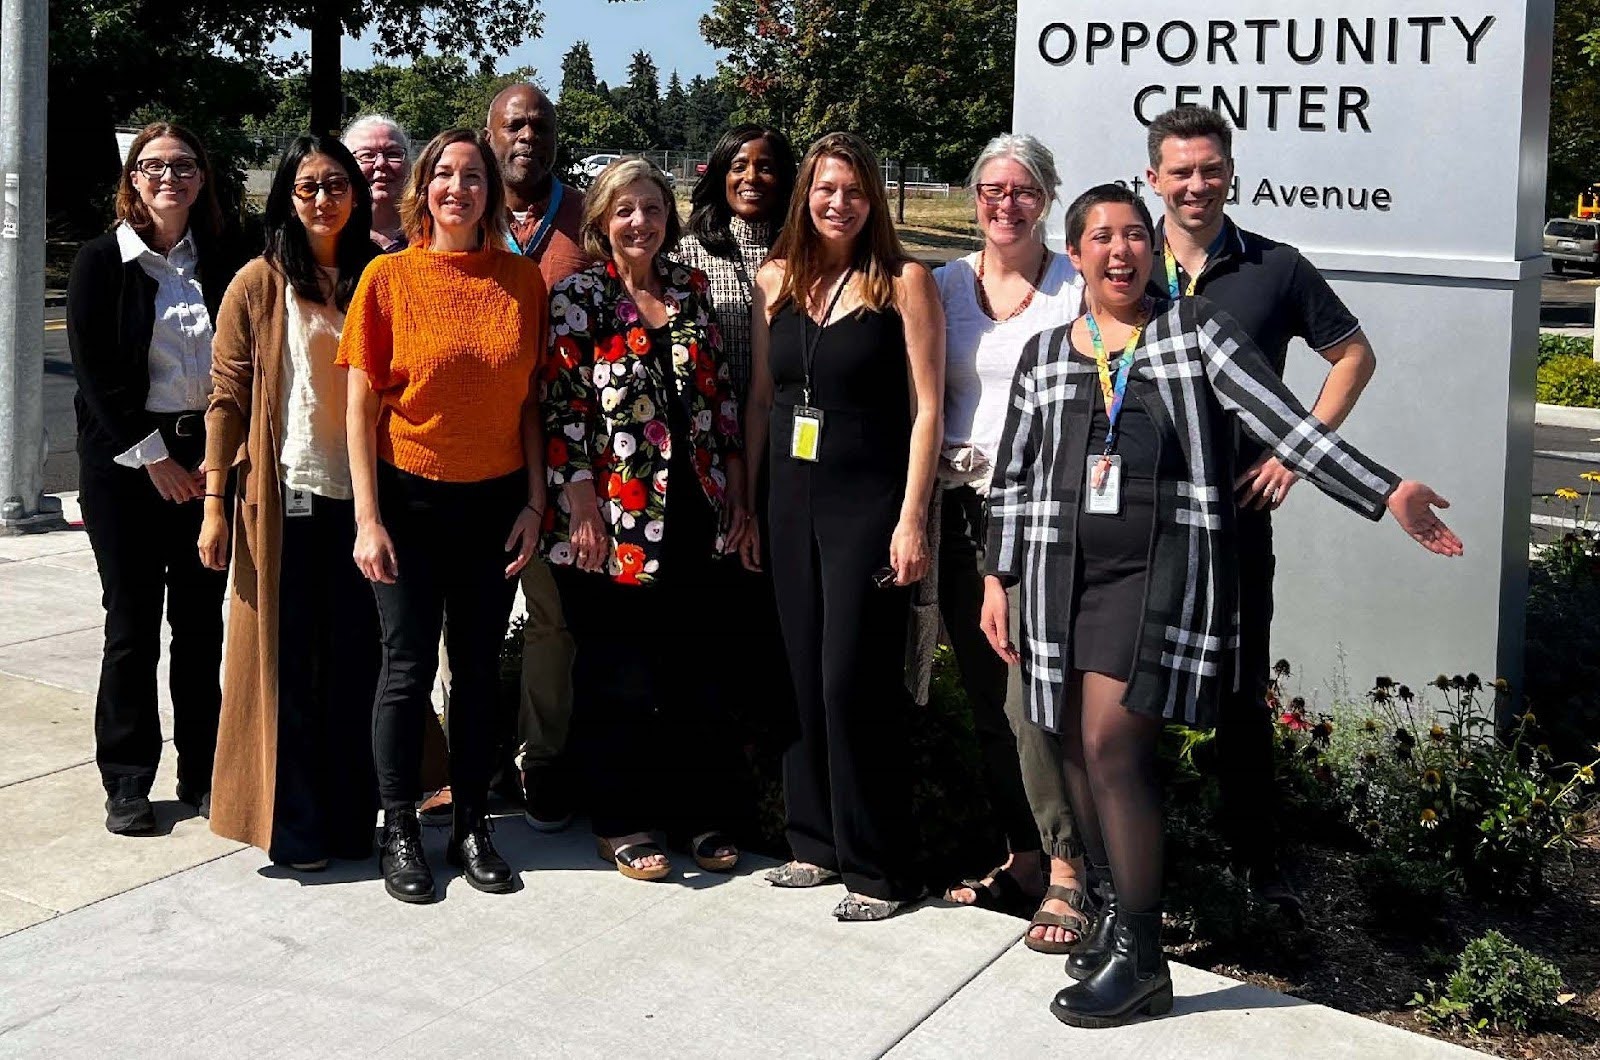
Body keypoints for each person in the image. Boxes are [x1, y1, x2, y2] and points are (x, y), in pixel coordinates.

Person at [978, 184, 1462, 1027]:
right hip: (1064, 579)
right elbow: (1014, 480)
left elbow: (1285, 423)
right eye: (1101, 237)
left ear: (1151, 251)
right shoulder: (1049, 353)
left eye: (1134, 234)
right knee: (1073, 748)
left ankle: (1143, 957)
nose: (1120, 250)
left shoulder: (1194, 332)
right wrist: (997, 578)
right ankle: (1109, 915)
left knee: (1111, 746)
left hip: (1161, 577)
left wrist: (1385, 492)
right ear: (1077, 253)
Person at [1143, 106, 1379, 921]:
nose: (1197, 184)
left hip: (1235, 513)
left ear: (1230, 173)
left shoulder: (1275, 267)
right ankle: (1142, 853)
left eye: (1210, 169)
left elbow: (1354, 355)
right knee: (1129, 684)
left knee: (1241, 691)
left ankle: (1258, 857)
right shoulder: (1123, 260)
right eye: (1181, 171)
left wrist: (1295, 452)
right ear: (1154, 180)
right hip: (1137, 513)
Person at [338, 128, 549, 904]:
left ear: (491, 192)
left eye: (473, 176)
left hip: (495, 505)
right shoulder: (387, 279)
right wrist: (368, 518)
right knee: (407, 669)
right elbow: (359, 409)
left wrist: (534, 501)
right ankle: (399, 825)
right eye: (445, 176)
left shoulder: (522, 281)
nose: (458, 188)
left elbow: (529, 401)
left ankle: (470, 823)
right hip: (408, 500)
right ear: (422, 189)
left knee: (479, 675)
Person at [741, 132, 945, 921]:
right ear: (806, 196)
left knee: (851, 681)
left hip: (868, 507)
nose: (839, 202)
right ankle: (814, 844)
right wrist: (747, 503)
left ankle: (880, 868)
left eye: (854, 190)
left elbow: (929, 408)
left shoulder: (904, 282)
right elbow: (764, 399)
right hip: (788, 501)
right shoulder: (777, 281)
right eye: (826, 188)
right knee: (798, 675)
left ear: (874, 201)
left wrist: (912, 518)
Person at [541, 158, 751, 882]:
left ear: (670, 217)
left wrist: (737, 498)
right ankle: (619, 818)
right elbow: (561, 409)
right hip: (611, 520)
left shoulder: (691, 291)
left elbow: (721, 402)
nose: (640, 223)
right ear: (601, 220)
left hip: (696, 511)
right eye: (625, 210)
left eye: (653, 209)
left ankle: (695, 813)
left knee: (694, 670)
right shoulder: (578, 297)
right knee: (617, 674)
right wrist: (580, 507)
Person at [199, 136, 382, 870]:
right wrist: (215, 504)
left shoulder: (382, 274)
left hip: (368, 500)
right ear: (286, 197)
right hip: (286, 500)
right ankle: (297, 824)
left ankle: (352, 819)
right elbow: (226, 398)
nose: (322, 199)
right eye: (307, 187)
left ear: (357, 194)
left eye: (336, 184)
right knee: (288, 668)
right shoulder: (256, 282)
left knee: (357, 665)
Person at [930, 134, 1087, 945]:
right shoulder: (946, 283)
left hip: (1037, 516)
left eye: (1023, 189)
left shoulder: (1076, 285)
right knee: (988, 702)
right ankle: (1023, 856)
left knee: (1031, 698)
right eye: (992, 189)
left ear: (1047, 197)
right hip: (957, 511)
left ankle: (1068, 872)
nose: (1005, 203)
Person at [67, 122, 244, 835]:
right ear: (132, 178)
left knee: (202, 627)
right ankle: (128, 779)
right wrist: (156, 459)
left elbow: (242, 358)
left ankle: (203, 772)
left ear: (203, 178)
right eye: (154, 165)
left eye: (184, 165)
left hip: (208, 461)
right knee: (132, 625)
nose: (170, 176)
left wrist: (214, 464)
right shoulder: (100, 262)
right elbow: (95, 376)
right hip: (126, 469)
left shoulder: (225, 258)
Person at [674, 122, 800, 802]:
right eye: (739, 166)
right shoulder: (688, 255)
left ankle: (775, 774)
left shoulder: (806, 253)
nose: (752, 178)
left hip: (788, 456)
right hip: (710, 464)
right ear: (718, 174)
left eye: (768, 167)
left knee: (774, 624)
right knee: (714, 622)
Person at [483, 82, 594, 831]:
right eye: (514, 123)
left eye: (541, 125)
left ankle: (543, 759)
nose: (528, 135)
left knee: (554, 619)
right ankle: (477, 760)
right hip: (482, 450)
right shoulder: (464, 210)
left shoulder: (586, 217)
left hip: (567, 450)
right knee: (473, 618)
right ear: (491, 134)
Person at [343, 115, 410, 251]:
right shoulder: (331, 237)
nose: (381, 163)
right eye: (367, 155)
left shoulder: (431, 234)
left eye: (392, 154)